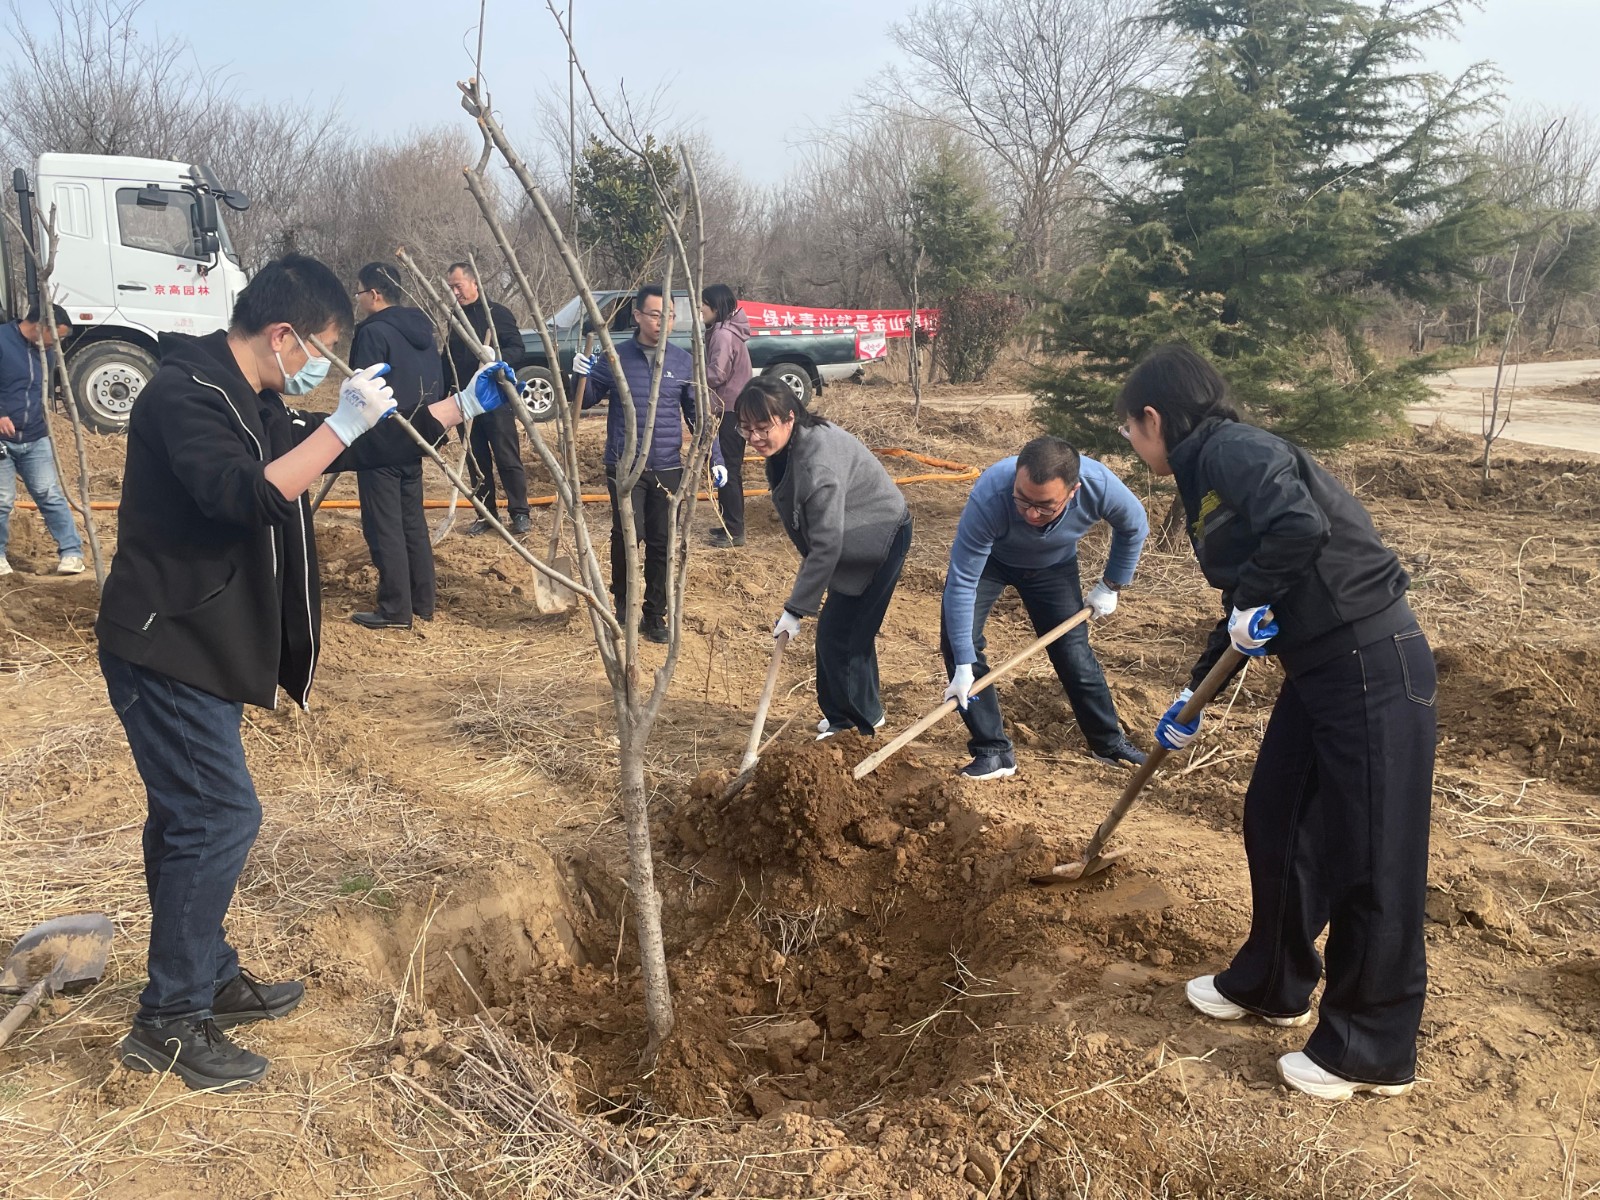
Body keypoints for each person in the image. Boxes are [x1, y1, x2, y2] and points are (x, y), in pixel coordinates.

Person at [96, 253, 513, 1091]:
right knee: (218, 816)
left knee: (188, 818)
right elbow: (243, 495)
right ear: (283, 334)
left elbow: (343, 454)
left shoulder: (252, 397)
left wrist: (452, 408)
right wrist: (338, 425)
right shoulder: (186, 394)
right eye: (322, 348)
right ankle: (170, 1021)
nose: (324, 367)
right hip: (166, 643)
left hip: (204, 643)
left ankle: (206, 972)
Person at [1118, 343, 1434, 1101]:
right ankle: (1271, 981)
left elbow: (1299, 529)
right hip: (1320, 667)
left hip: (1371, 659)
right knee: (1278, 814)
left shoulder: (1233, 450)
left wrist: (1254, 598)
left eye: (1129, 430)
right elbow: (1245, 605)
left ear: (1154, 418)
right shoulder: (1205, 473)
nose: (1130, 445)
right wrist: (1192, 700)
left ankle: (1372, 1047)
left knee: (1372, 854)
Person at [940, 436, 1149, 780]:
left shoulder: (1099, 486)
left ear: (1073, 491)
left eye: (1045, 506)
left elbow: (1134, 524)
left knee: (1073, 654)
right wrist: (963, 661)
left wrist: (1111, 584)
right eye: (1022, 501)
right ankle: (992, 750)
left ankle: (1107, 743)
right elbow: (963, 580)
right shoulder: (992, 493)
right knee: (957, 642)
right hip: (991, 562)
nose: (1031, 513)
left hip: (1053, 566)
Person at [736, 375, 911, 738]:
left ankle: (849, 725)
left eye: (763, 427)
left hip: (878, 536)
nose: (754, 438)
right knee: (849, 632)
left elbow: (827, 543)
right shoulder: (792, 444)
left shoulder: (817, 466)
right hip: (855, 531)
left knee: (839, 637)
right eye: (746, 428)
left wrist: (796, 608)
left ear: (789, 417)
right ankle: (865, 712)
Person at [574, 284, 726, 644]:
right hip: (624, 466)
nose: (662, 322)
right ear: (638, 316)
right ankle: (624, 603)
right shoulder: (616, 356)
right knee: (628, 535)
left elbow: (698, 414)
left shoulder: (680, 360)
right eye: (655, 314)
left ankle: (654, 615)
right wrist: (579, 375)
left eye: (669, 315)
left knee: (661, 541)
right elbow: (585, 400)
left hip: (666, 465)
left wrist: (714, 456)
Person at [350, 262, 444, 629]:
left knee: (384, 524)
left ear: (375, 295)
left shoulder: (374, 332)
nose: (358, 300)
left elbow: (363, 389)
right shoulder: (423, 330)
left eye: (359, 293)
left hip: (382, 438)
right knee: (412, 522)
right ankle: (423, 601)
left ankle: (394, 610)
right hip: (417, 433)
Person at [442, 261, 530, 535]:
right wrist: (444, 393)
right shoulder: (454, 318)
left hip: (495, 399)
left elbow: (519, 349)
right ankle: (486, 515)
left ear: (474, 283)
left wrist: (496, 359)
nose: (455, 292)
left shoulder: (497, 314)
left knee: (506, 456)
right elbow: (449, 359)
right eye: (451, 287)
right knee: (476, 460)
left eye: (458, 286)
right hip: (466, 402)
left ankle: (520, 513)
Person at [0, 303, 85, 576]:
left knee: (50, 494)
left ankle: (71, 553)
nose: (58, 344)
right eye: (56, 337)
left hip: (35, 436)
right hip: (2, 438)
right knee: (2, 499)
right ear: (40, 327)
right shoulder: (2, 341)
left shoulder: (45, 352)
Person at [701, 283, 752, 548]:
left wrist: (694, 377)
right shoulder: (726, 331)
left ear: (716, 307)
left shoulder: (722, 334)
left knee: (728, 467)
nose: (700, 310)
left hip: (729, 409)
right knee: (726, 466)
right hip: (732, 407)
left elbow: (717, 374)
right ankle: (728, 525)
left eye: (704, 305)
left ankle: (734, 530)